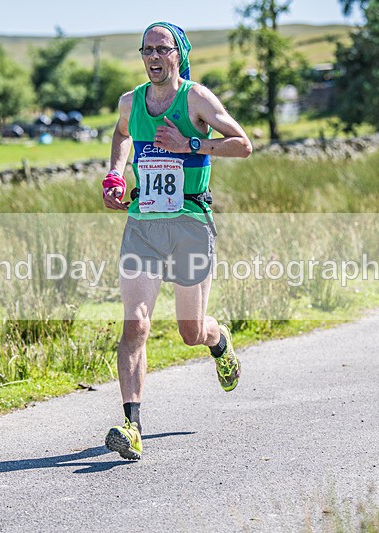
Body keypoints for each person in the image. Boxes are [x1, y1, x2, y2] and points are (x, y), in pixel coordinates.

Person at [101, 21, 252, 460]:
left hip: (190, 221)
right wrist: (115, 174)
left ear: (178, 54)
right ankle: (132, 427)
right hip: (144, 222)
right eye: (146, 49)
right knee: (136, 325)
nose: (152, 57)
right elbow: (121, 134)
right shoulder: (132, 101)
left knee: (191, 332)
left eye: (161, 49)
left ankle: (218, 341)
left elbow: (242, 145)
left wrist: (191, 144)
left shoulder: (197, 99)